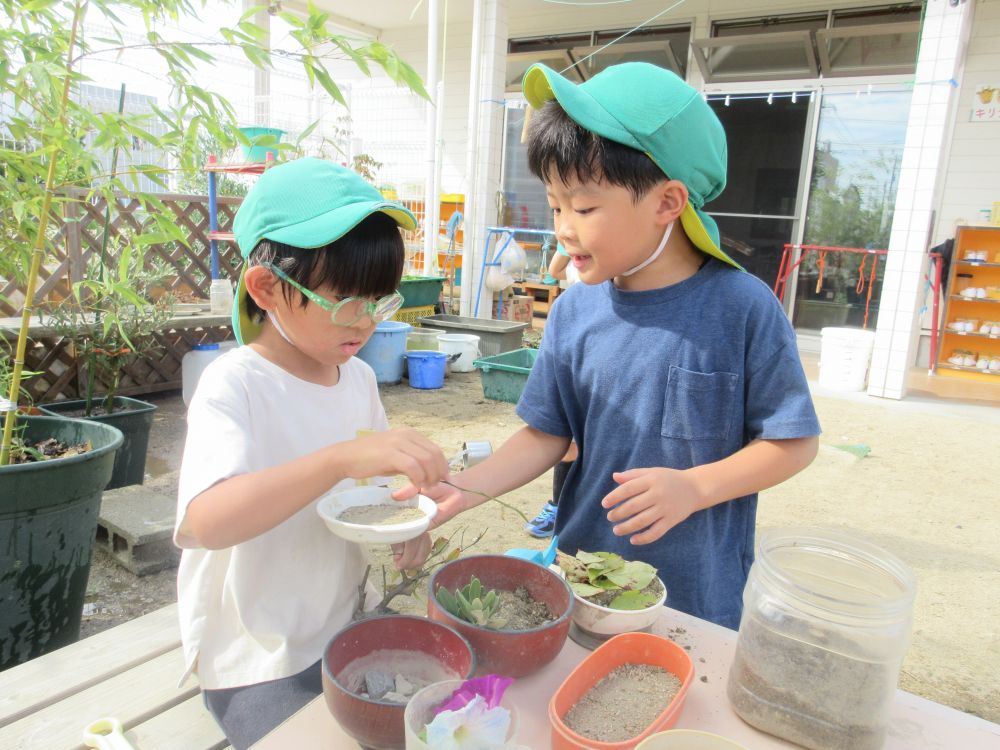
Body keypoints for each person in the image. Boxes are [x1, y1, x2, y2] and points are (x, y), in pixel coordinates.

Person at [426, 62, 821, 630]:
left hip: (698, 595)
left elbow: (793, 442)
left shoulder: (742, 307)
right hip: (584, 580)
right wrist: (460, 490)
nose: (563, 227)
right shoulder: (574, 311)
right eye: (556, 205)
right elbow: (545, 433)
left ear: (667, 203)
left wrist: (694, 486)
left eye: (584, 208)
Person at [173, 158, 450, 750]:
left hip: (343, 624)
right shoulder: (235, 383)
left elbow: (372, 495)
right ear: (268, 288)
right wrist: (337, 461)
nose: (367, 321)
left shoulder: (356, 381)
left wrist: (409, 525)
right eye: (346, 299)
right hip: (259, 654)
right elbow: (208, 521)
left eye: (379, 300)